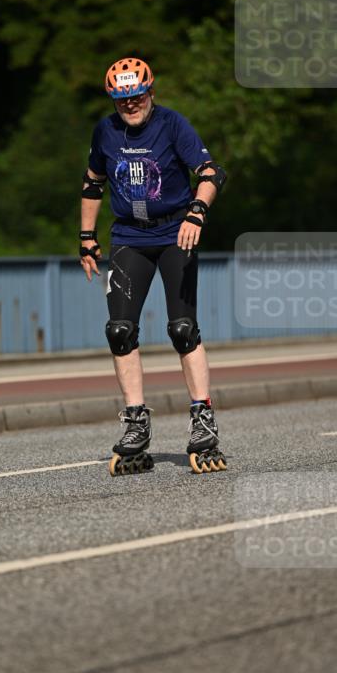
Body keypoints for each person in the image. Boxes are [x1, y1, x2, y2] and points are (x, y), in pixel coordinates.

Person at [79, 56, 228, 476]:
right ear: (113, 100)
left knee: (182, 328)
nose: (131, 105)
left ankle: (202, 416)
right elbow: (92, 184)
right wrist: (86, 238)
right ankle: (136, 422)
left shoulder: (172, 124)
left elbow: (212, 172)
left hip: (174, 233)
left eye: (137, 96)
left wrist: (197, 212)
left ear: (150, 92)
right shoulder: (105, 131)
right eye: (122, 99)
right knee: (119, 330)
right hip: (129, 236)